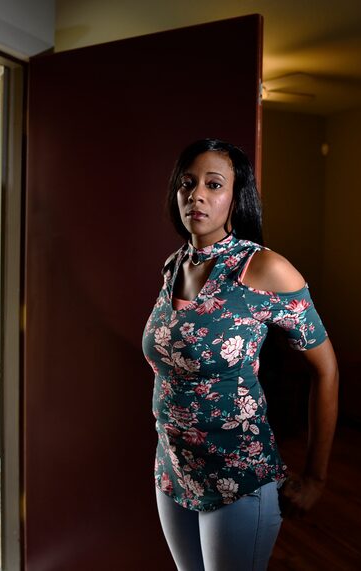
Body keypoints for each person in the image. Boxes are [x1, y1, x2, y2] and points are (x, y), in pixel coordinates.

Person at [142, 138, 339, 570]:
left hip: (236, 475)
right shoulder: (174, 265)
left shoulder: (265, 269)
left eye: (214, 185)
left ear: (236, 197)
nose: (197, 195)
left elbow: (326, 369)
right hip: (173, 471)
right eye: (187, 183)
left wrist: (316, 479)